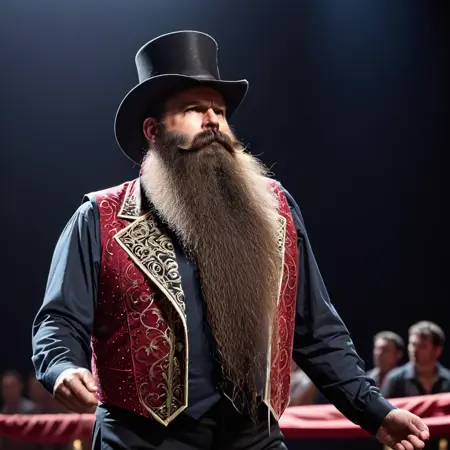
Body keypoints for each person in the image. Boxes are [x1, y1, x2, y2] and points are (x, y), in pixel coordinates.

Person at [32, 30, 430, 450]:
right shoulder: (99, 218)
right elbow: (59, 320)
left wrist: (375, 411)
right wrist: (62, 368)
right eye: (192, 109)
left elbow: (316, 330)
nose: (213, 122)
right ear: (152, 130)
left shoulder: (275, 210)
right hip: (141, 440)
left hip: (254, 437)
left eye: (219, 111)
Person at [381, 321, 450, 398]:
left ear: (437, 350)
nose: (414, 350)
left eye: (422, 346)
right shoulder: (395, 380)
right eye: (412, 344)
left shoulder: (448, 380)